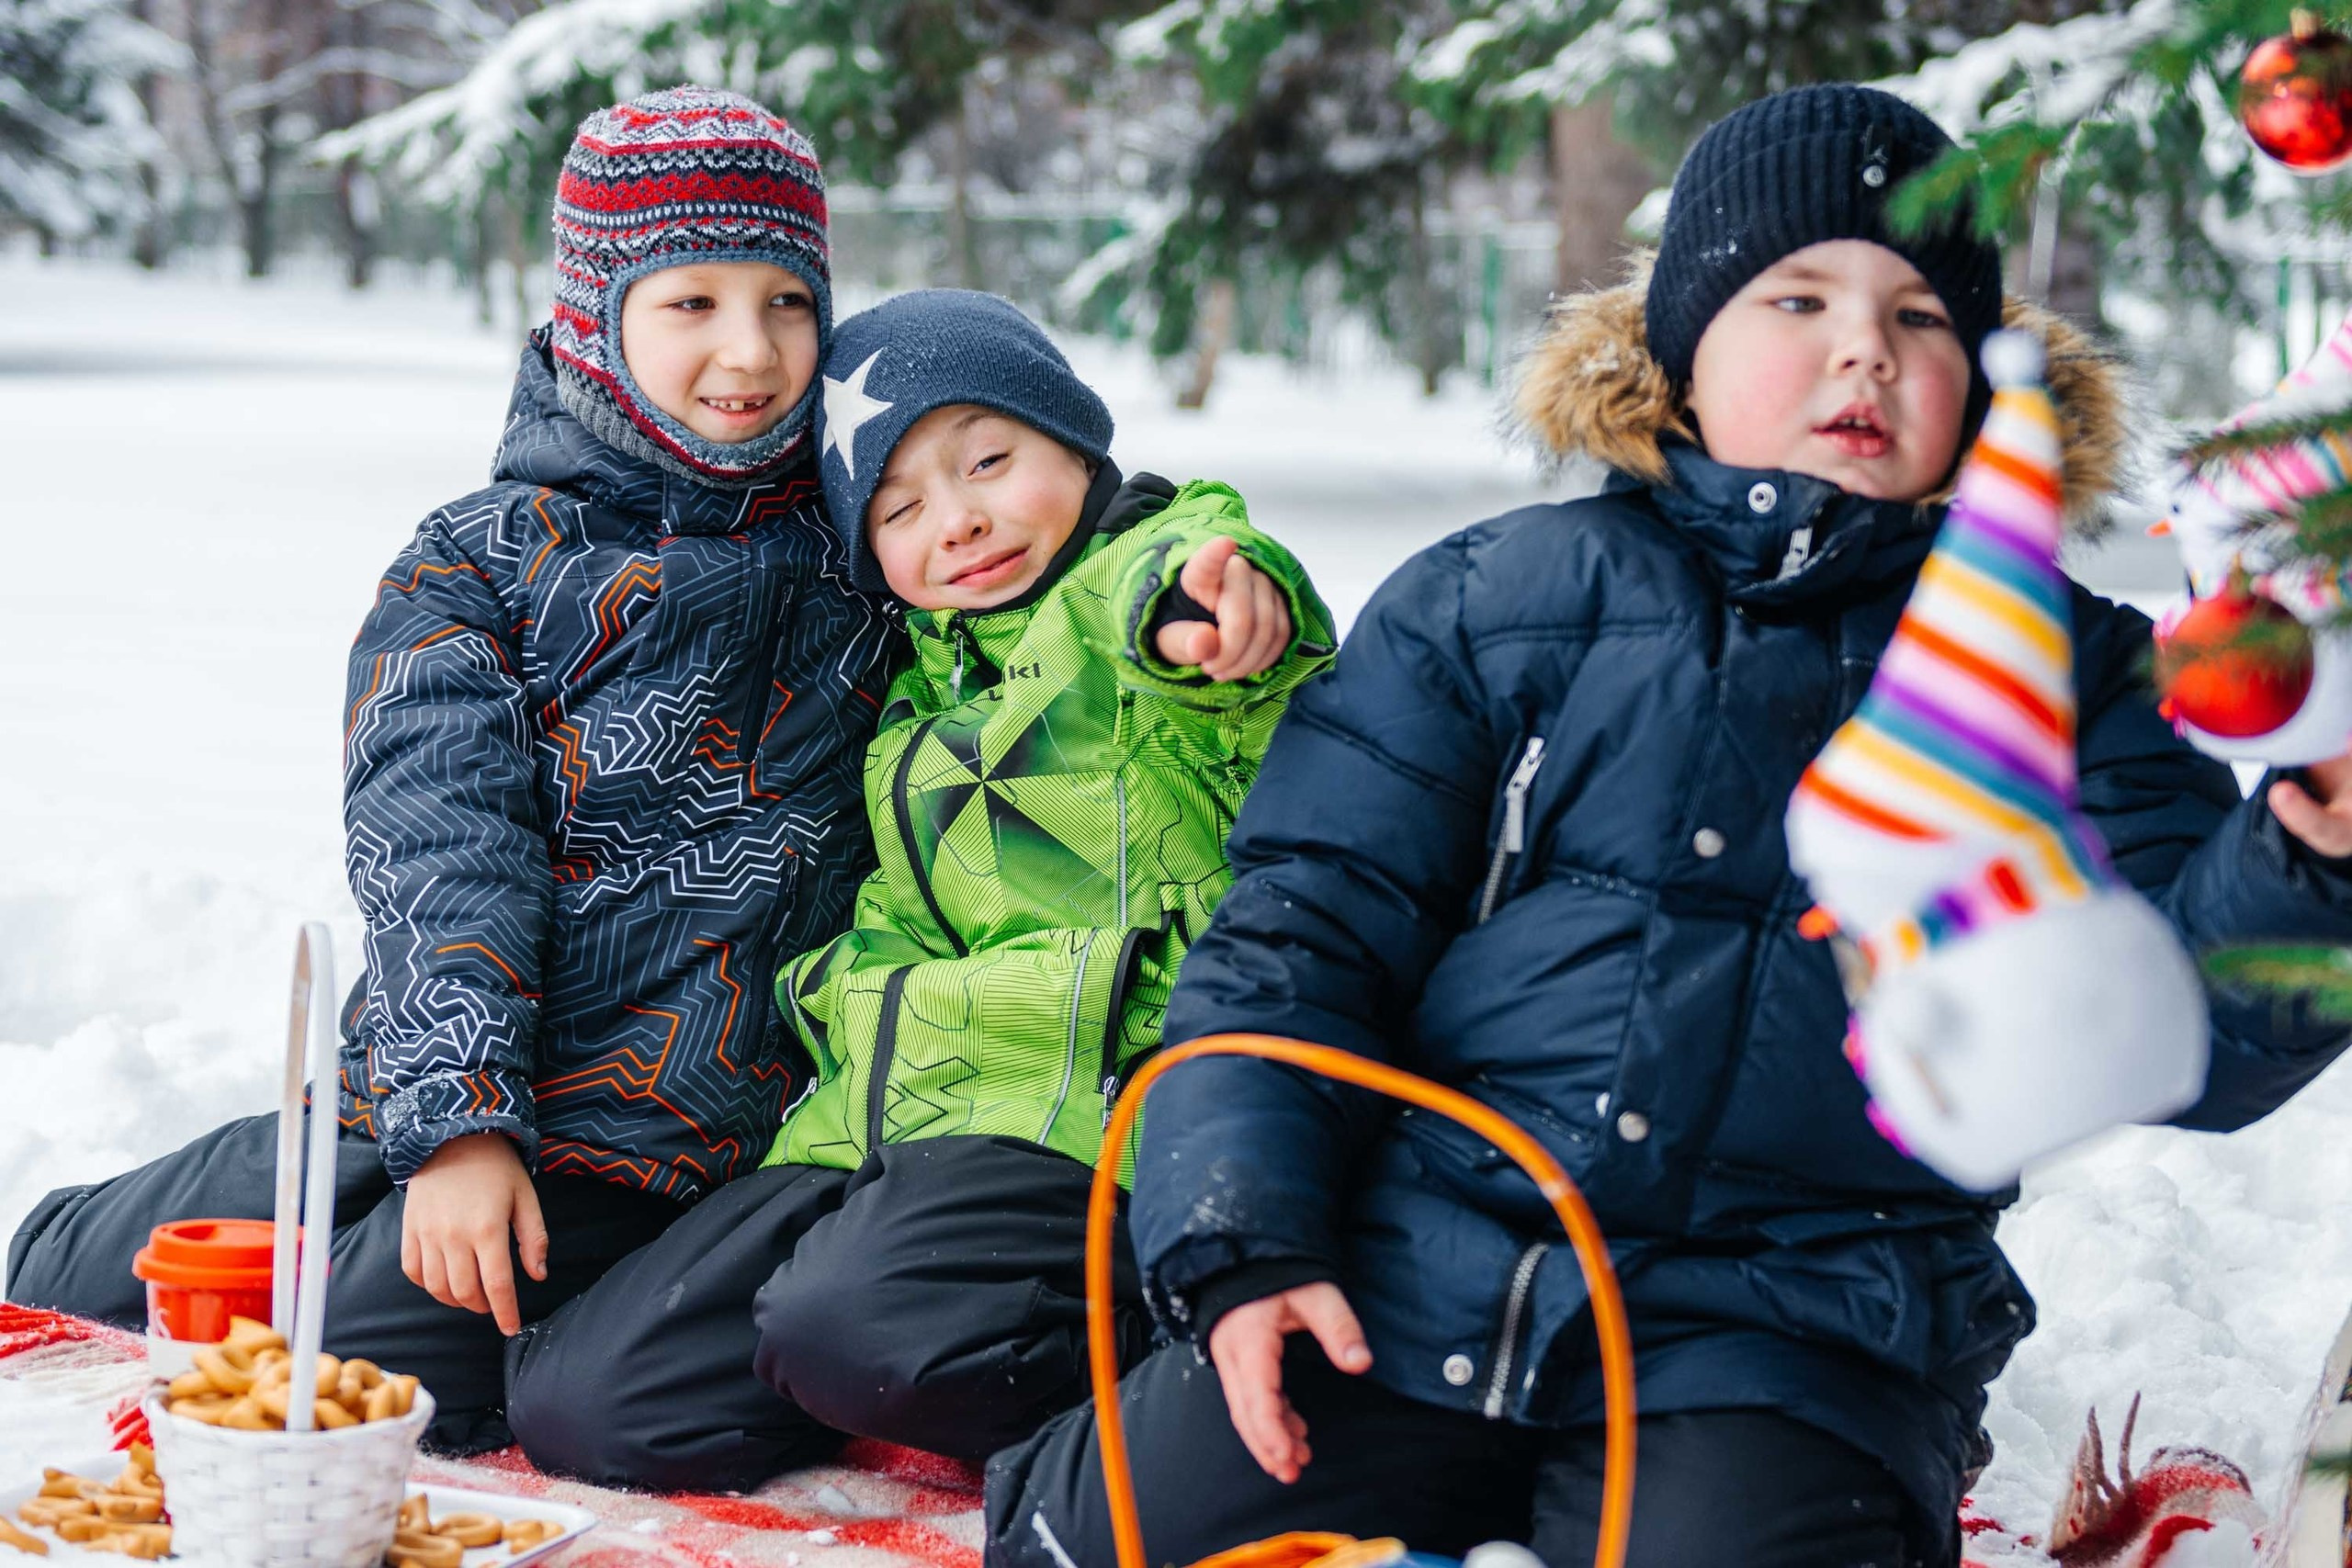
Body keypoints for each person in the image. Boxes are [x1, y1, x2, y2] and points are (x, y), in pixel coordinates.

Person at [986, 84, 2352, 1568]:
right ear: (1681, 355)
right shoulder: (1493, 602)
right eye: (1799, 295)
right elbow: (1300, 939)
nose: (1862, 350)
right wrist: (1244, 1245)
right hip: (1423, 1271)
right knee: (1111, 1536)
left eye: (1921, 317)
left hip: (1797, 1337)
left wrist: (2310, 855)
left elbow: (2186, 1034)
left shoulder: (2074, 676)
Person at [6, 86, 899, 1455]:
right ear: (598, 314)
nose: (751, 350)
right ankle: (146, 1211)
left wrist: (1190, 579)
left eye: (788, 301)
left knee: (332, 1365)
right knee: (80, 1281)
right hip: (445, 1075)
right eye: (693, 302)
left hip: (668, 1144)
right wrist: (461, 1130)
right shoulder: (484, 560)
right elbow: (442, 850)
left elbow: (1039, 499)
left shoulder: (869, 551)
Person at [498, 288, 1337, 1491]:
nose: (962, 520)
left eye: (990, 458)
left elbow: (1202, 586)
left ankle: (1175, 1370)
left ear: (1080, 444)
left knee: (852, 1329)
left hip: (1101, 1109)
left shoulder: (1129, 597)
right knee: (589, 1400)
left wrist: (1213, 601)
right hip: (897, 1114)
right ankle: (893, 1358)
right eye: (899, 508)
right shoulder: (913, 708)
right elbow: (897, 910)